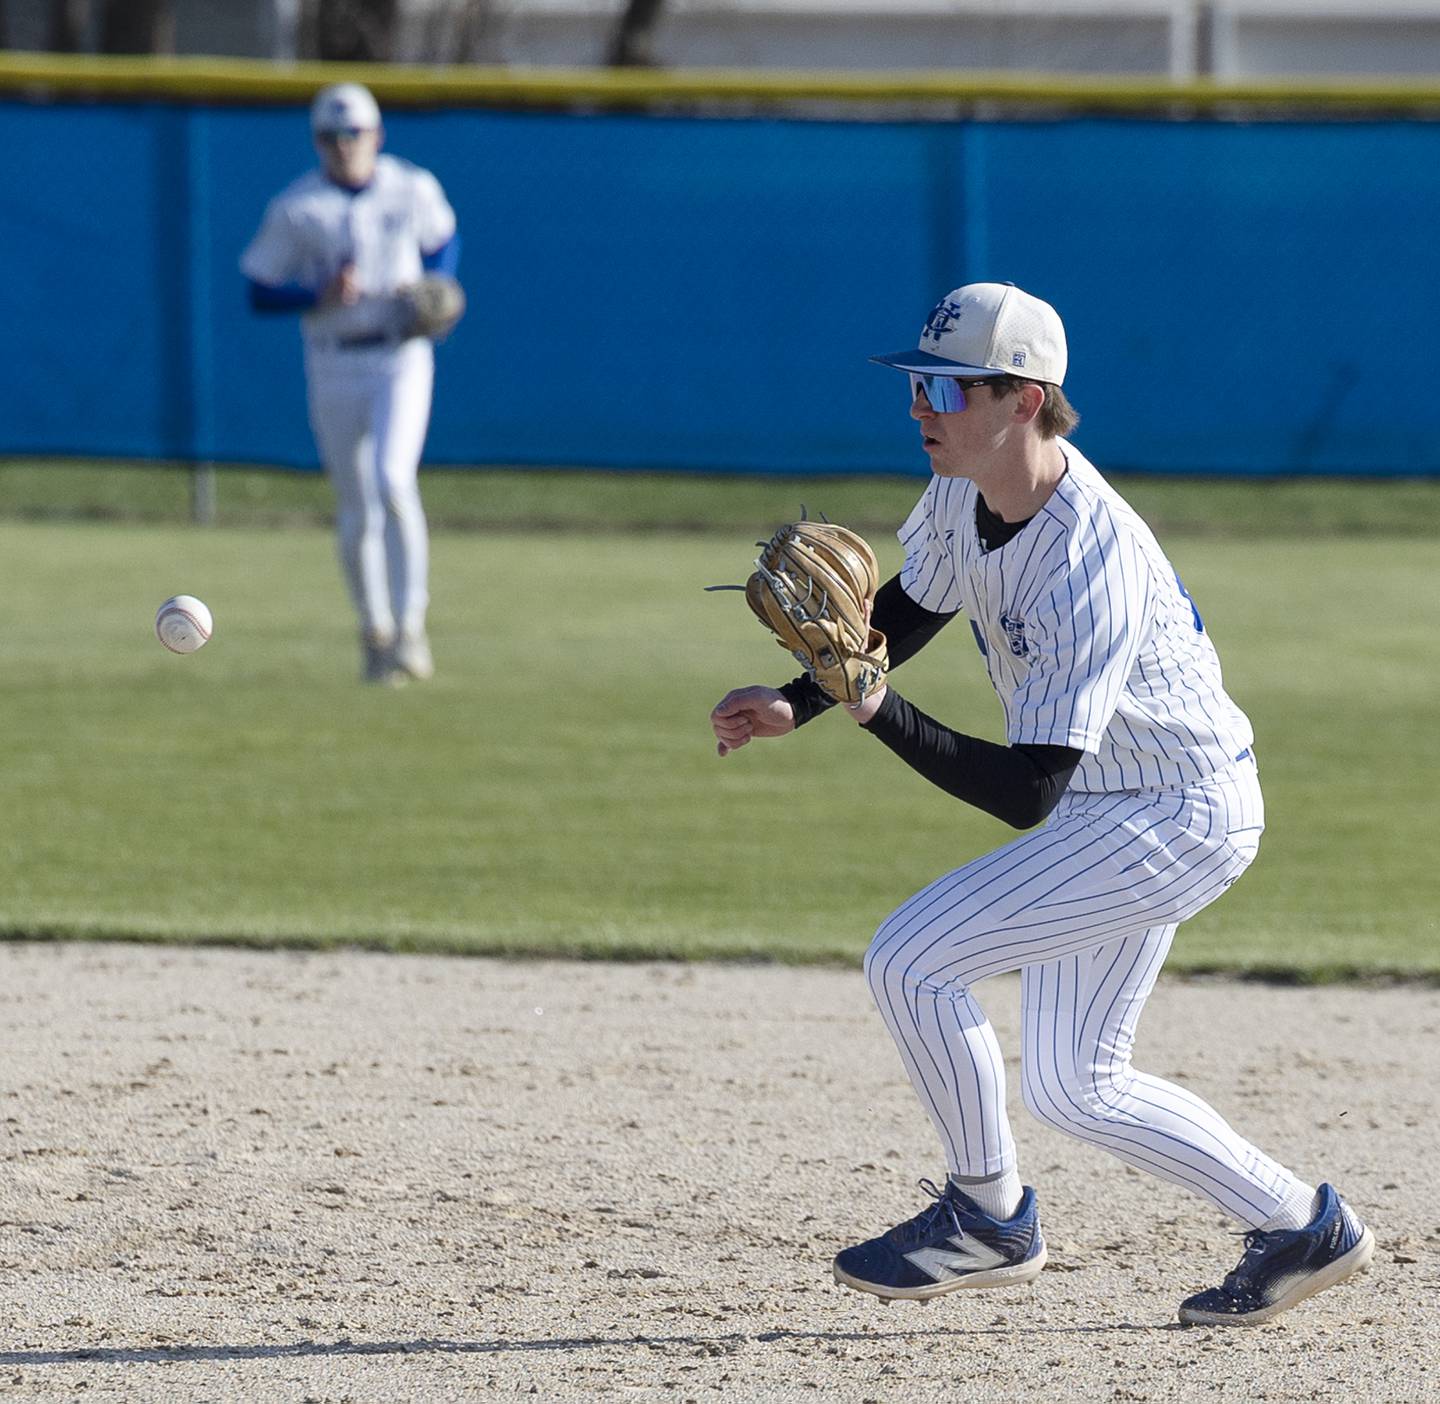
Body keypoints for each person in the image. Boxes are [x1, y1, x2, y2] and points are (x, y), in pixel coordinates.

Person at [709, 282, 1374, 1326]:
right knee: (1077, 1084)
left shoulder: (1086, 557)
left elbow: (1027, 793)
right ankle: (1303, 1224)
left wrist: (872, 706)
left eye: (948, 388)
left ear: (1024, 399)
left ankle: (988, 1218)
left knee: (912, 958)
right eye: (917, 384)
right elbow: (914, 601)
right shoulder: (963, 486)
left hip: (1170, 812)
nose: (921, 407)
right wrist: (803, 698)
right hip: (1117, 803)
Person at [241, 83, 460, 684]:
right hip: (333, 360)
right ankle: (375, 631)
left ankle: (411, 629)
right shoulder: (298, 207)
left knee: (393, 480)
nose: (345, 146)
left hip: (400, 356)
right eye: (332, 136)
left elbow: (444, 241)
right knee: (356, 506)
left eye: (355, 133)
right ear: (317, 142)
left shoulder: (410, 186)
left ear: (377, 135)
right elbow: (259, 286)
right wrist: (316, 295)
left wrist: (437, 285)